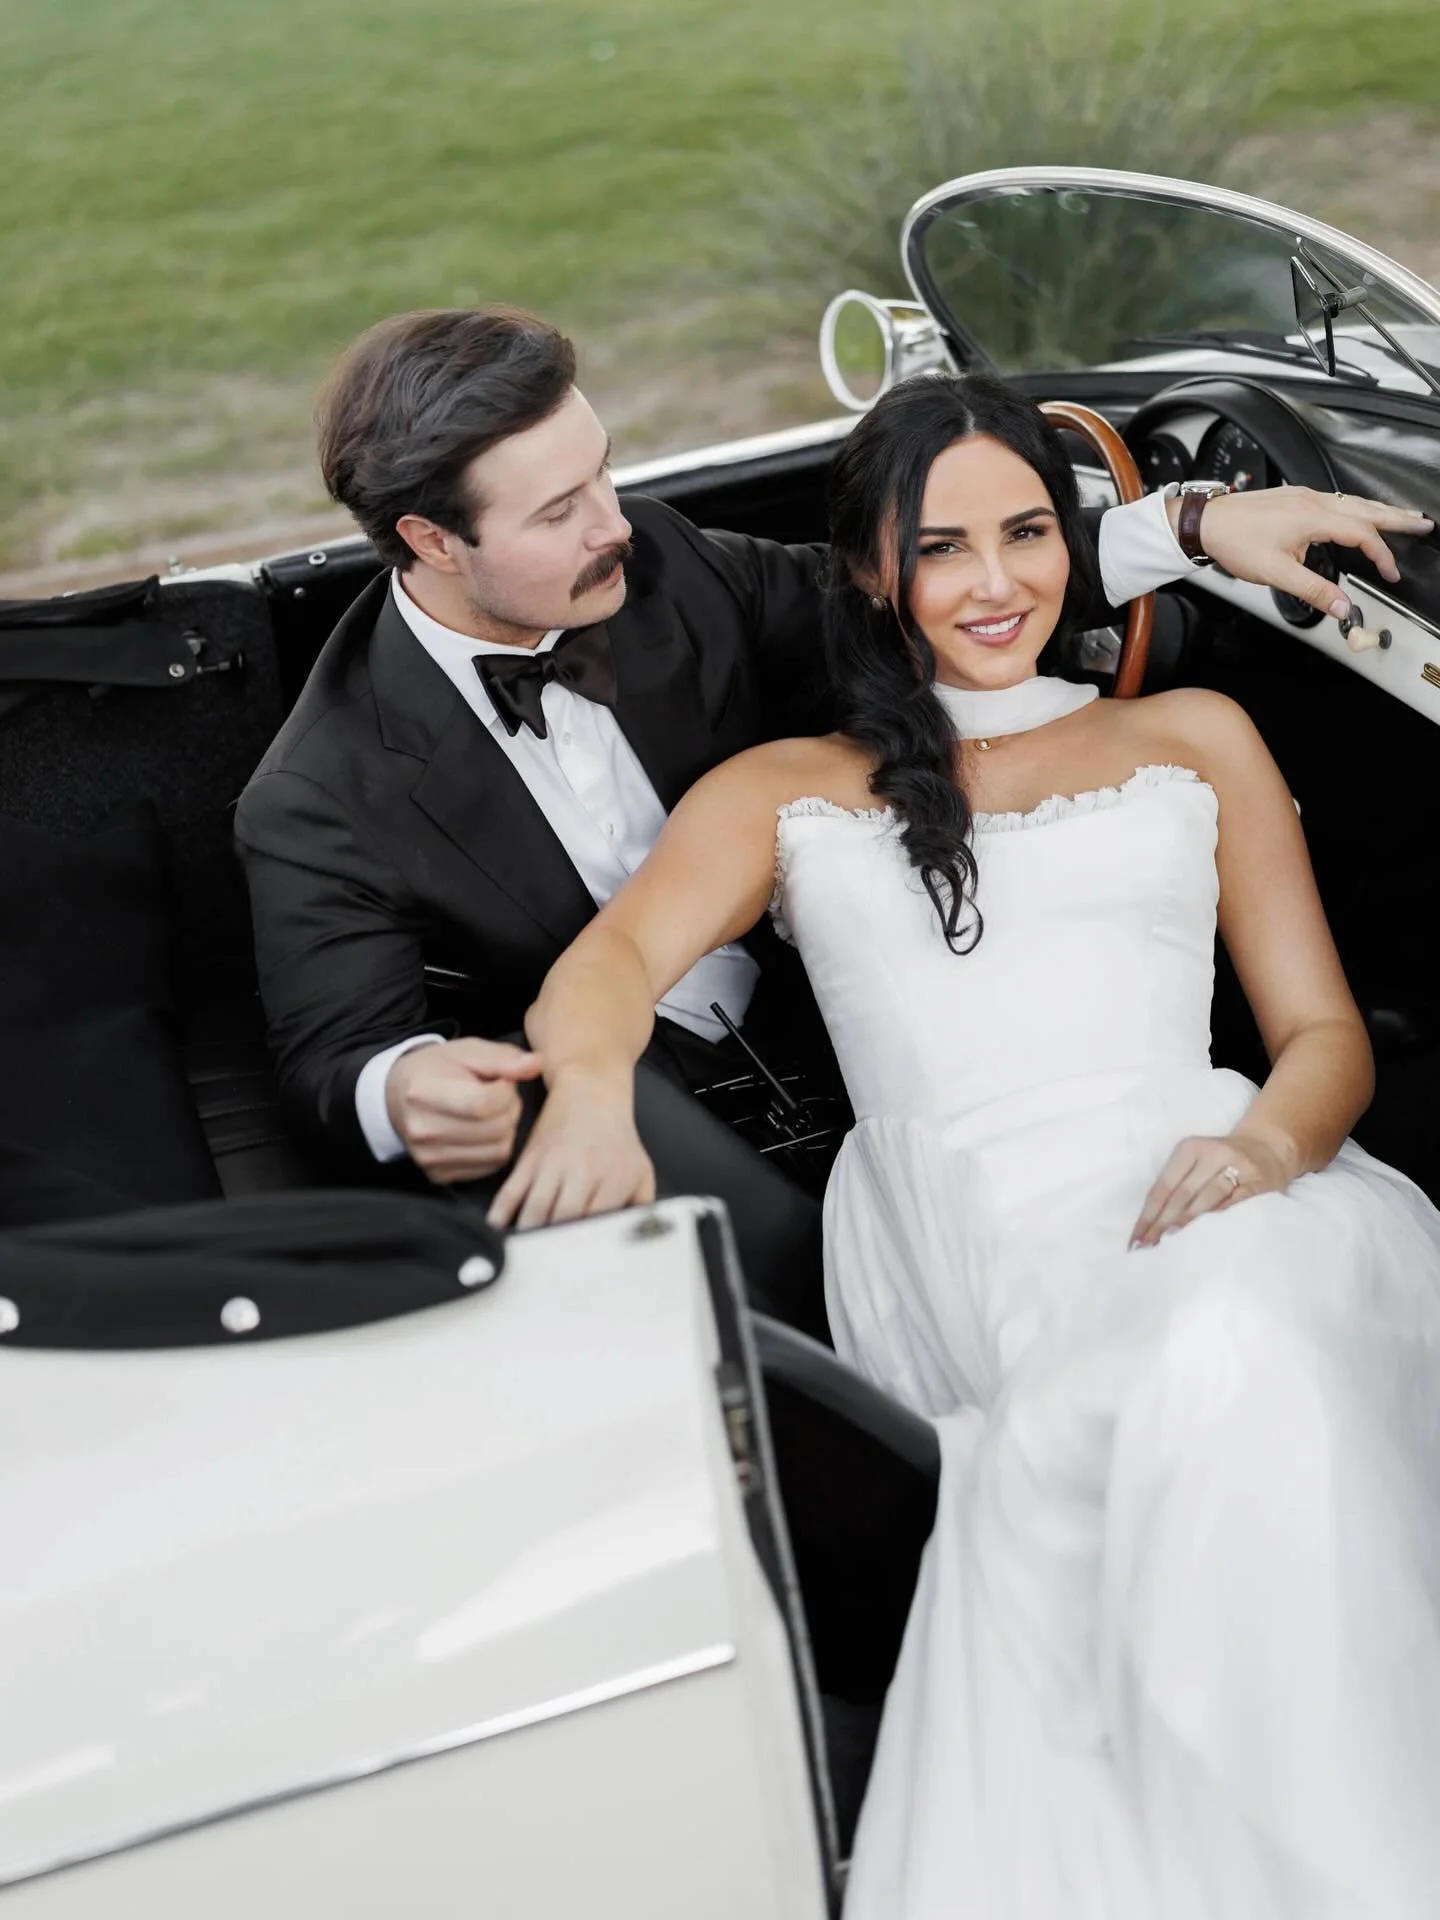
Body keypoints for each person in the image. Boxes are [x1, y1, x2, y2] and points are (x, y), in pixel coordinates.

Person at [489, 369, 1440, 1916]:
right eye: (942, 549)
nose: (994, 585)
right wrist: (590, 1092)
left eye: (1026, 536)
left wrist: (1266, 1153)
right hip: (968, 1226)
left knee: (1238, 1350)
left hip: (1216, 1176)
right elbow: (601, 975)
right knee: (1152, 1407)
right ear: (874, 568)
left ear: (1073, 545)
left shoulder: (1195, 733)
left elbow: (1322, 1040)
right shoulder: (782, 793)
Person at [236, 303, 1410, 1324]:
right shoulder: (318, 794)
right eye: (560, 511)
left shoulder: (665, 570)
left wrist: (1192, 527)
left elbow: (932, 583)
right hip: (643, 1102)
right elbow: (334, 1053)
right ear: (432, 542)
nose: (616, 522)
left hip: (857, 1033)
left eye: (604, 469)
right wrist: (410, 1089)